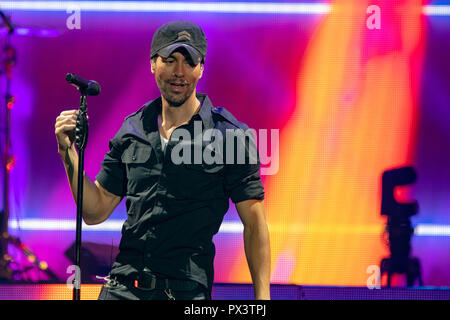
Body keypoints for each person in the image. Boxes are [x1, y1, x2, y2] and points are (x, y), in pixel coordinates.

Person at [54, 20, 270, 300]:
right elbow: (95, 212)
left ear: (201, 68)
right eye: (169, 60)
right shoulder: (132, 128)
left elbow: (254, 224)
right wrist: (67, 152)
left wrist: (262, 300)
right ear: (153, 64)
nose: (179, 72)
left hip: (184, 292)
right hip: (122, 287)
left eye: (189, 61)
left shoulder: (229, 135)